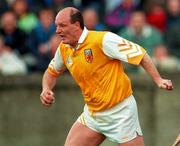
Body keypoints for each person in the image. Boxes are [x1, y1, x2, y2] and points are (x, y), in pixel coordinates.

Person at [40, 7, 173, 146]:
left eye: (62, 25)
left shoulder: (103, 39)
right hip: (93, 114)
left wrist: (158, 79)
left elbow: (140, 54)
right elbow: (51, 73)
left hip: (121, 113)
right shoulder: (64, 48)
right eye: (57, 26)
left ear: (76, 25)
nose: (57, 30)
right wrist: (46, 89)